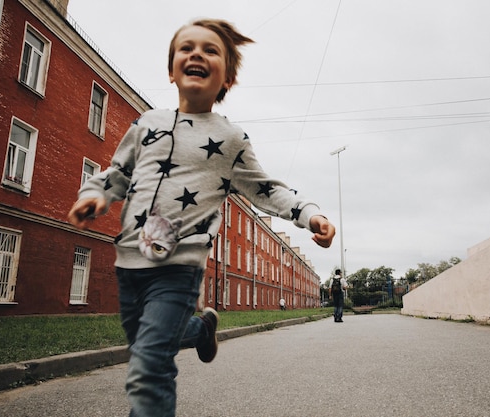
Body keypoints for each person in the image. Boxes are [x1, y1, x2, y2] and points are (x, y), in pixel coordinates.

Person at [68, 18, 335, 417]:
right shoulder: (146, 124)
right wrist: (94, 195)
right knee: (146, 343)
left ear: (227, 78)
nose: (196, 54)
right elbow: (117, 173)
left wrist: (311, 215)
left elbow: (267, 189)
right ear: (171, 69)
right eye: (186, 48)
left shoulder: (230, 139)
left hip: (180, 265)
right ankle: (201, 329)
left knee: (149, 367)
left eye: (210, 51)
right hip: (129, 261)